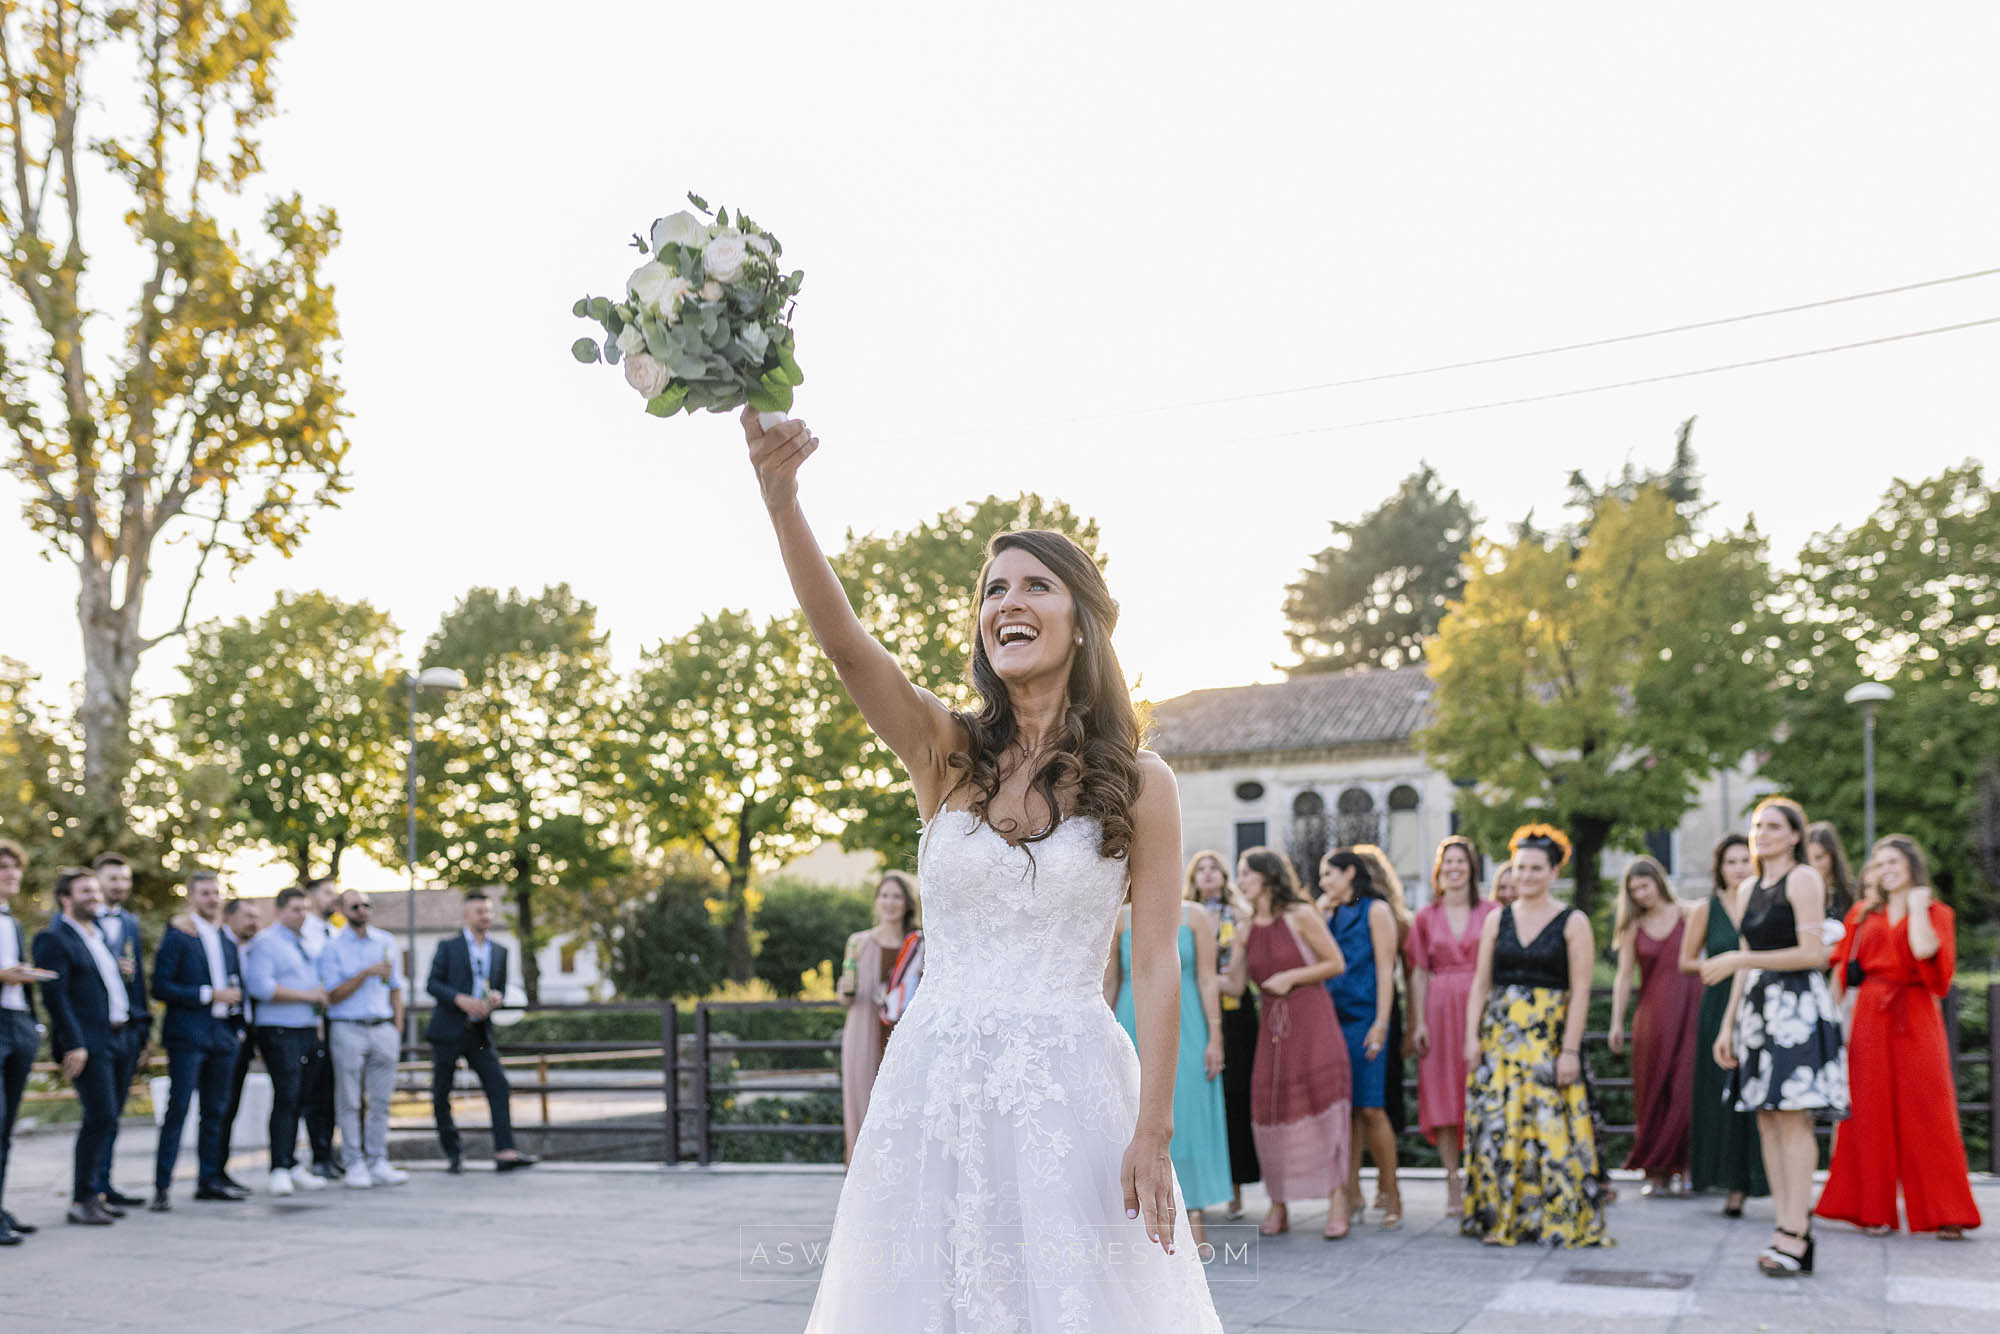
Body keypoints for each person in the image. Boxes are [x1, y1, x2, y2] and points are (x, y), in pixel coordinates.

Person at [744, 409, 1221, 1329]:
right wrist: (781, 500)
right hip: (936, 1083)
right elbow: (847, 648)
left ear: (1080, 619)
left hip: (1073, 1094)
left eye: (1035, 585)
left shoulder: (1142, 783)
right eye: (993, 589)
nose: (1009, 601)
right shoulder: (946, 753)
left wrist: (1153, 1129)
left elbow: (1157, 965)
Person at [1708, 796, 1847, 1278]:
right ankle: (1783, 1227)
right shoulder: (1747, 889)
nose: (1762, 833)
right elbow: (1744, 963)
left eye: (1773, 826)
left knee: (1794, 1120)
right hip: (1758, 1010)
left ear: (1794, 836)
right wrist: (1727, 1026)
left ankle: (1797, 1229)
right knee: (1766, 1119)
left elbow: (1814, 954)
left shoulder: (1804, 879)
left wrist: (1741, 962)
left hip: (1798, 1007)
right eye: (1757, 825)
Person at [1815, 836, 1981, 1239]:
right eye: (1880, 862)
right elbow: (1841, 970)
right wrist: (1825, 1021)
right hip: (1871, 1014)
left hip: (1917, 1011)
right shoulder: (1860, 914)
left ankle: (1946, 1212)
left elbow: (1926, 952)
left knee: (1929, 1110)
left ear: (1911, 866)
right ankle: (1874, 1210)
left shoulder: (1936, 912)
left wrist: (1918, 906)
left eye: (1895, 861)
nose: (1886, 868)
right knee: (1868, 1112)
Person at [1462, 824, 1608, 1248]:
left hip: (1547, 1040)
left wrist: (1570, 1050)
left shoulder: (1572, 921)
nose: (1525, 875)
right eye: (1520, 867)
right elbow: (1480, 983)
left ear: (1553, 870)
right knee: (1498, 1128)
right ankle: (1500, 1217)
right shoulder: (1496, 919)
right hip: (1500, 1040)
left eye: (1535, 868)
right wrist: (1472, 1037)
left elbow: (1580, 990)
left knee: (1550, 1131)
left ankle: (1554, 1217)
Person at [1226, 846, 1350, 1240]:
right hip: (1272, 1031)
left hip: (1312, 1021)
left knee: (1321, 1103)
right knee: (1270, 1107)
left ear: (1267, 876)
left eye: (1246, 873)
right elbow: (1232, 984)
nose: (1241, 881)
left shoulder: (1301, 915)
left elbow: (1335, 963)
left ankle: (1338, 1201)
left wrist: (1291, 977)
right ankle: (1278, 1203)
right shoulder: (1244, 929)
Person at [1105, 888, 1232, 1254]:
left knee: (1190, 1121)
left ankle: (1195, 1221)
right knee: (1135, 1117)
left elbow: (1208, 978)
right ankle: (1148, 1221)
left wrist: (1215, 1037)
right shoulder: (1119, 918)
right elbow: (1111, 980)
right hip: (1132, 1019)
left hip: (1188, 1023)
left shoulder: (1193, 917)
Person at [32, 868, 133, 1225]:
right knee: (99, 1115)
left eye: (95, 891)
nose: (95, 896)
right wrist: (73, 1043)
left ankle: (96, 1191)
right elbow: (56, 998)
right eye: (85, 891)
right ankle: (81, 1199)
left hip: (118, 1036)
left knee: (109, 1117)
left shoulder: (98, 934)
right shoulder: (53, 937)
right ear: (65, 897)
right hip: (87, 1043)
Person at [1678, 834, 1767, 1215]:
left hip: (1761, 1000)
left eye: (1745, 860)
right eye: (1731, 862)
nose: (1739, 868)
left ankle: (1761, 1180)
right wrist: (1724, 963)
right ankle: (1729, 1184)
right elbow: (1686, 961)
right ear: (1720, 868)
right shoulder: (1705, 909)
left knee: (1760, 1090)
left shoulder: (1767, 902)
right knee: (1721, 1092)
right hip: (1718, 1003)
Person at [1405, 835, 1494, 1217]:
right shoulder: (1426, 916)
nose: (1454, 868)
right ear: (1439, 871)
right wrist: (1419, 1021)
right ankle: (1453, 1181)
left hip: (1481, 1006)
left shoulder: (1492, 911)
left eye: (1462, 861)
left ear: (1472, 868)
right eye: (1448, 862)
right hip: (1439, 1012)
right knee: (1442, 1096)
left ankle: (1482, 1176)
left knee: (1480, 1093)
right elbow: (1419, 973)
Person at [150, 869, 249, 1209]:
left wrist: (237, 1028)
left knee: (216, 1111)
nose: (212, 898)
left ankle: (209, 1179)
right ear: (191, 896)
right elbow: (160, 987)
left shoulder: (225, 939)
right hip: (188, 1035)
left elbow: (237, 985)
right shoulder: (179, 935)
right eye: (205, 893)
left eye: (215, 892)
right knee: (178, 1108)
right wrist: (210, 994)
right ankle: (162, 1186)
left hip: (223, 1036)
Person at [1317, 848, 1402, 1233]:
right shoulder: (1327, 914)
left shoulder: (1377, 911)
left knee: (1371, 1108)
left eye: (1328, 875)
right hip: (1331, 1021)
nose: (1323, 883)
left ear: (1350, 872)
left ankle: (1391, 1189)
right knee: (1344, 1110)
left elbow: (1387, 972)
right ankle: (1350, 1193)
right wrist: (1319, 912)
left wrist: (1382, 1023)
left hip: (1366, 1017)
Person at [1607, 856, 1702, 1196]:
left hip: (1691, 1009)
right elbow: (1622, 976)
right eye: (1634, 890)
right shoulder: (1633, 926)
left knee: (1686, 1088)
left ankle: (1688, 1168)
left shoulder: (1689, 914)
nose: (1641, 894)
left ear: (1659, 881)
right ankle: (1657, 1171)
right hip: (1652, 1016)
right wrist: (1616, 1021)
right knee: (1652, 1090)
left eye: (1644, 886)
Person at [427, 888, 536, 1174]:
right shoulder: (447, 947)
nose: (486, 916)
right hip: (448, 1030)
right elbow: (433, 984)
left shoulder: (500, 950)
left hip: (479, 1033)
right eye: (480, 911)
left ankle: (505, 1151)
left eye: (489, 911)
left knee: (498, 1085)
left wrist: (496, 999)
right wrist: (460, 999)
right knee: (442, 1093)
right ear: (466, 915)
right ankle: (453, 1154)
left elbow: (496, 985)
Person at [1187, 850, 1260, 1220]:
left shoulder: (1240, 916)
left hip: (1234, 1017)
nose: (1208, 873)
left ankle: (1235, 1192)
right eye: (1201, 868)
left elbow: (1235, 983)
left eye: (1214, 867)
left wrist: (1196, 979)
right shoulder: (1183, 915)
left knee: (1234, 1098)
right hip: (1195, 1014)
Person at [318, 890, 408, 1189]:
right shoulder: (332, 948)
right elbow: (331, 995)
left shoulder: (385, 941)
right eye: (355, 906)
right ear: (342, 910)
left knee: (381, 1101)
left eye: (366, 905)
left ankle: (377, 1160)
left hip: (382, 1028)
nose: (362, 910)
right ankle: (354, 1162)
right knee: (349, 1100)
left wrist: (397, 1027)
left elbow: (395, 987)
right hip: (348, 1027)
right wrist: (364, 973)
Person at [243, 887, 329, 1196]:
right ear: (279, 911)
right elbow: (260, 987)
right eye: (295, 909)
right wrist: (306, 996)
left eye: (305, 909)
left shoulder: (306, 942)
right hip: (279, 1030)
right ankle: (278, 1166)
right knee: (287, 1096)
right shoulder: (267, 943)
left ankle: (292, 1163)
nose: (302, 915)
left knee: (304, 1099)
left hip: (307, 1028)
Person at [835, 871, 919, 1165]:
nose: (890, 902)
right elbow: (844, 996)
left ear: (907, 903)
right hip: (864, 1030)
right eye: (884, 896)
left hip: (904, 1035)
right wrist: (847, 988)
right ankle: (859, 1172)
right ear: (876, 901)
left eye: (897, 896)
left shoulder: (919, 945)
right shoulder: (858, 943)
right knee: (861, 1101)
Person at [86, 851, 152, 1210]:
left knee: (114, 1114)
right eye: (113, 879)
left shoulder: (129, 922)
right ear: (97, 881)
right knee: (99, 1113)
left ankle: (105, 1183)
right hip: (96, 1032)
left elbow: (138, 979)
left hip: (126, 1028)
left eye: (125, 879)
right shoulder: (76, 922)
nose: (120, 886)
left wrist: (143, 1032)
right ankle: (89, 1187)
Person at [1, 838, 46, 1243]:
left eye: (15, 867)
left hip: (17, 1023)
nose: (12, 874)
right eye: (3, 867)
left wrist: (32, 1025)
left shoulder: (12, 922)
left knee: (6, 1126)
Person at [209, 898, 262, 1189]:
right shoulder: (218, 944)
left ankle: (221, 1170)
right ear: (229, 916)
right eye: (247, 916)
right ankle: (212, 1173)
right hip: (222, 1034)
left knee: (231, 1107)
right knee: (220, 1107)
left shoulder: (253, 948)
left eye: (257, 917)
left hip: (245, 1034)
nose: (254, 922)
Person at [297, 875, 344, 1180]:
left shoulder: (336, 932)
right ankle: (318, 1155)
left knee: (334, 1091)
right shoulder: (304, 933)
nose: (333, 898)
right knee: (315, 1091)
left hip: (338, 1017)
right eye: (328, 892)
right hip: (315, 1019)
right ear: (311, 896)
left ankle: (330, 1153)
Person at [1805, 822, 1856, 924]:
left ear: (1833, 855)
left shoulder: (1851, 892)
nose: (1813, 865)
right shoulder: (1801, 893)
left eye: (1819, 857)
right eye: (1807, 860)